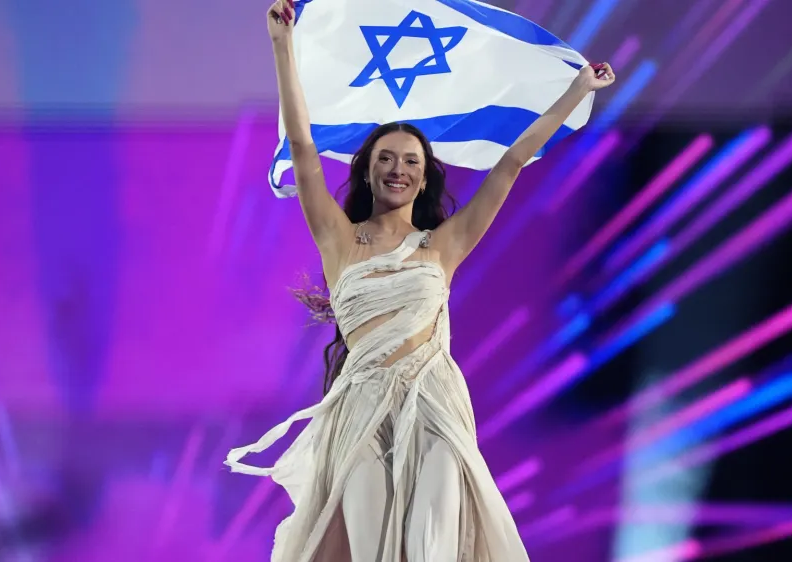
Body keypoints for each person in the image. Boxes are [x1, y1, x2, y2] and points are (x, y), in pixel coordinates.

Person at [225, 0, 616, 560]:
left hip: (433, 401)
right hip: (359, 407)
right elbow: (306, 150)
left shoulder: (443, 245)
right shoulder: (340, 238)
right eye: (386, 158)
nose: (398, 169)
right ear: (368, 168)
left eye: (410, 160)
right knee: (364, 514)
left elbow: (508, 165)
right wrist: (282, 46)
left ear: (424, 174)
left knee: (437, 507)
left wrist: (578, 91)